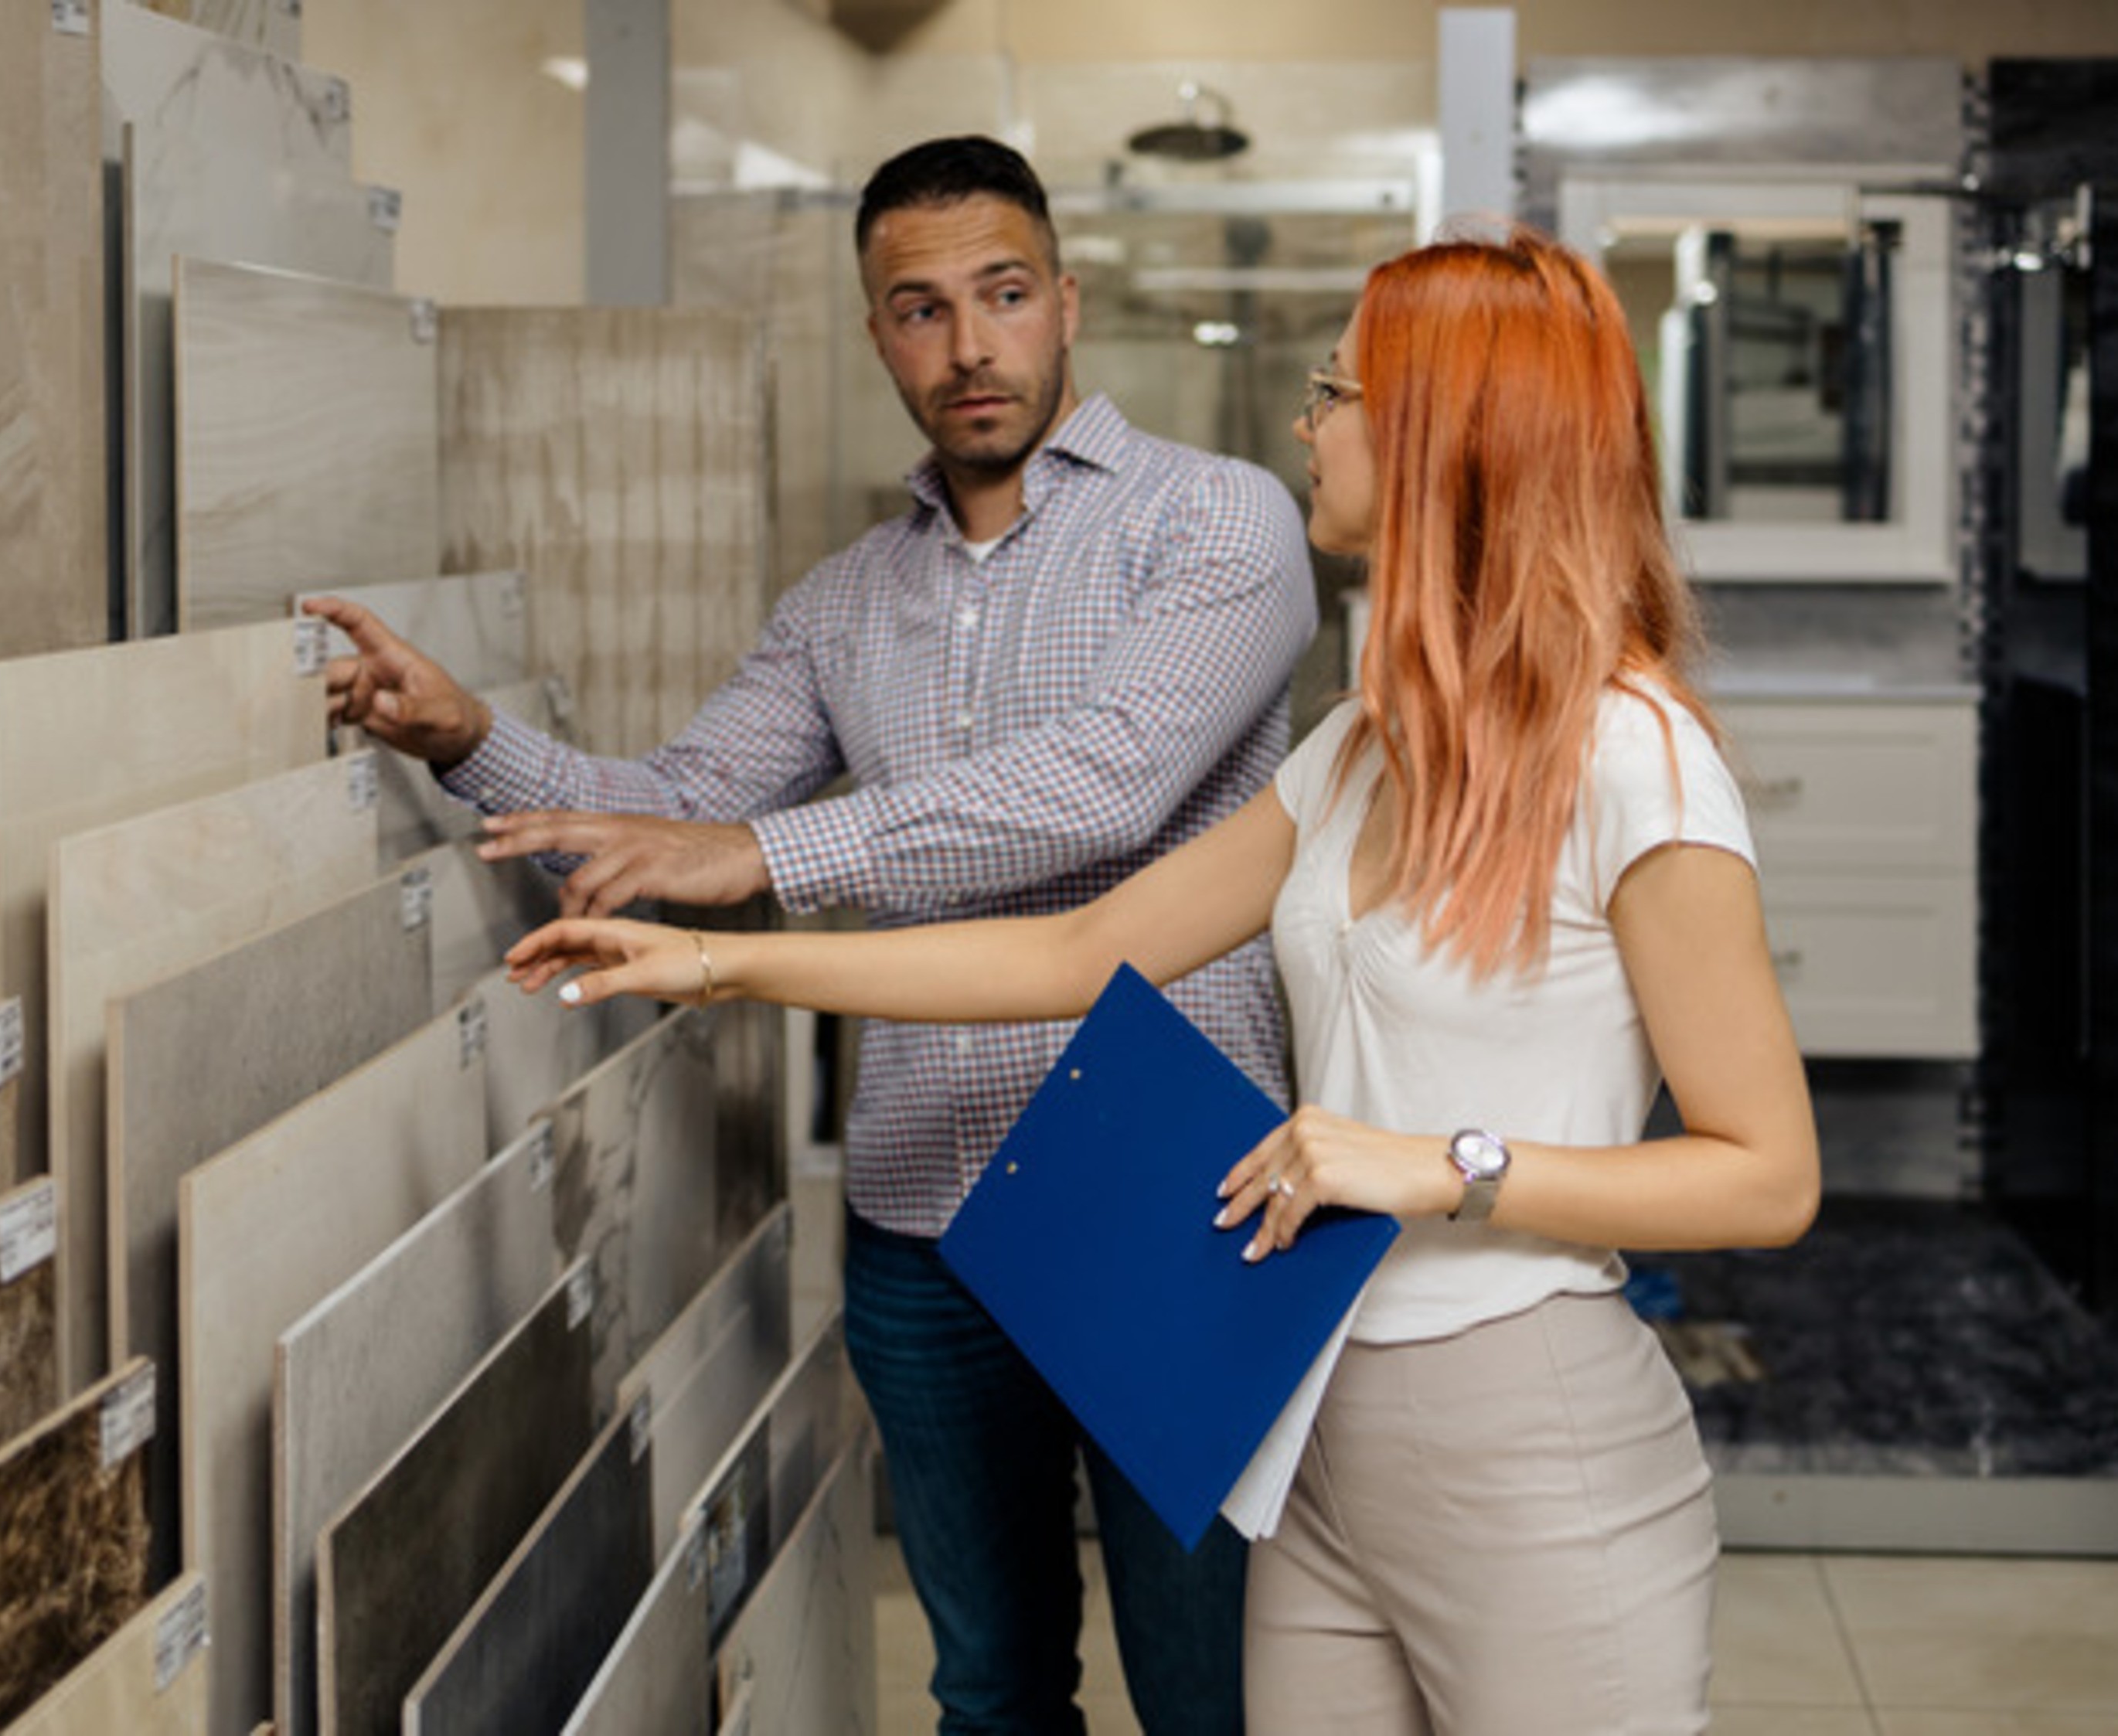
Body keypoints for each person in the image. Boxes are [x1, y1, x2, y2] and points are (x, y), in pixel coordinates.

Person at [499, 223, 1823, 1734]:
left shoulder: (1634, 759)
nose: (1303, 424)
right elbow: (1076, 951)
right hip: (1314, 1414)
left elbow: (1764, 1174)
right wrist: (717, 961)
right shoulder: (1353, 754)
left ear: (1446, 433)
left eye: (1336, 391)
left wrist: (1431, 1163)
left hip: (1525, 1419)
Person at [305, 135, 1312, 1734]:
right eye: (917, 310)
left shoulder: (1218, 523)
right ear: (875, 336)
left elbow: (1100, 792)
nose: (966, 346)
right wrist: (463, 734)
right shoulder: (846, 598)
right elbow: (679, 804)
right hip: (923, 1214)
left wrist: (766, 853)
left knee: (1216, 1696)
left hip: (1177, 1194)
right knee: (986, 1686)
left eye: (999, 296)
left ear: (1066, 301)